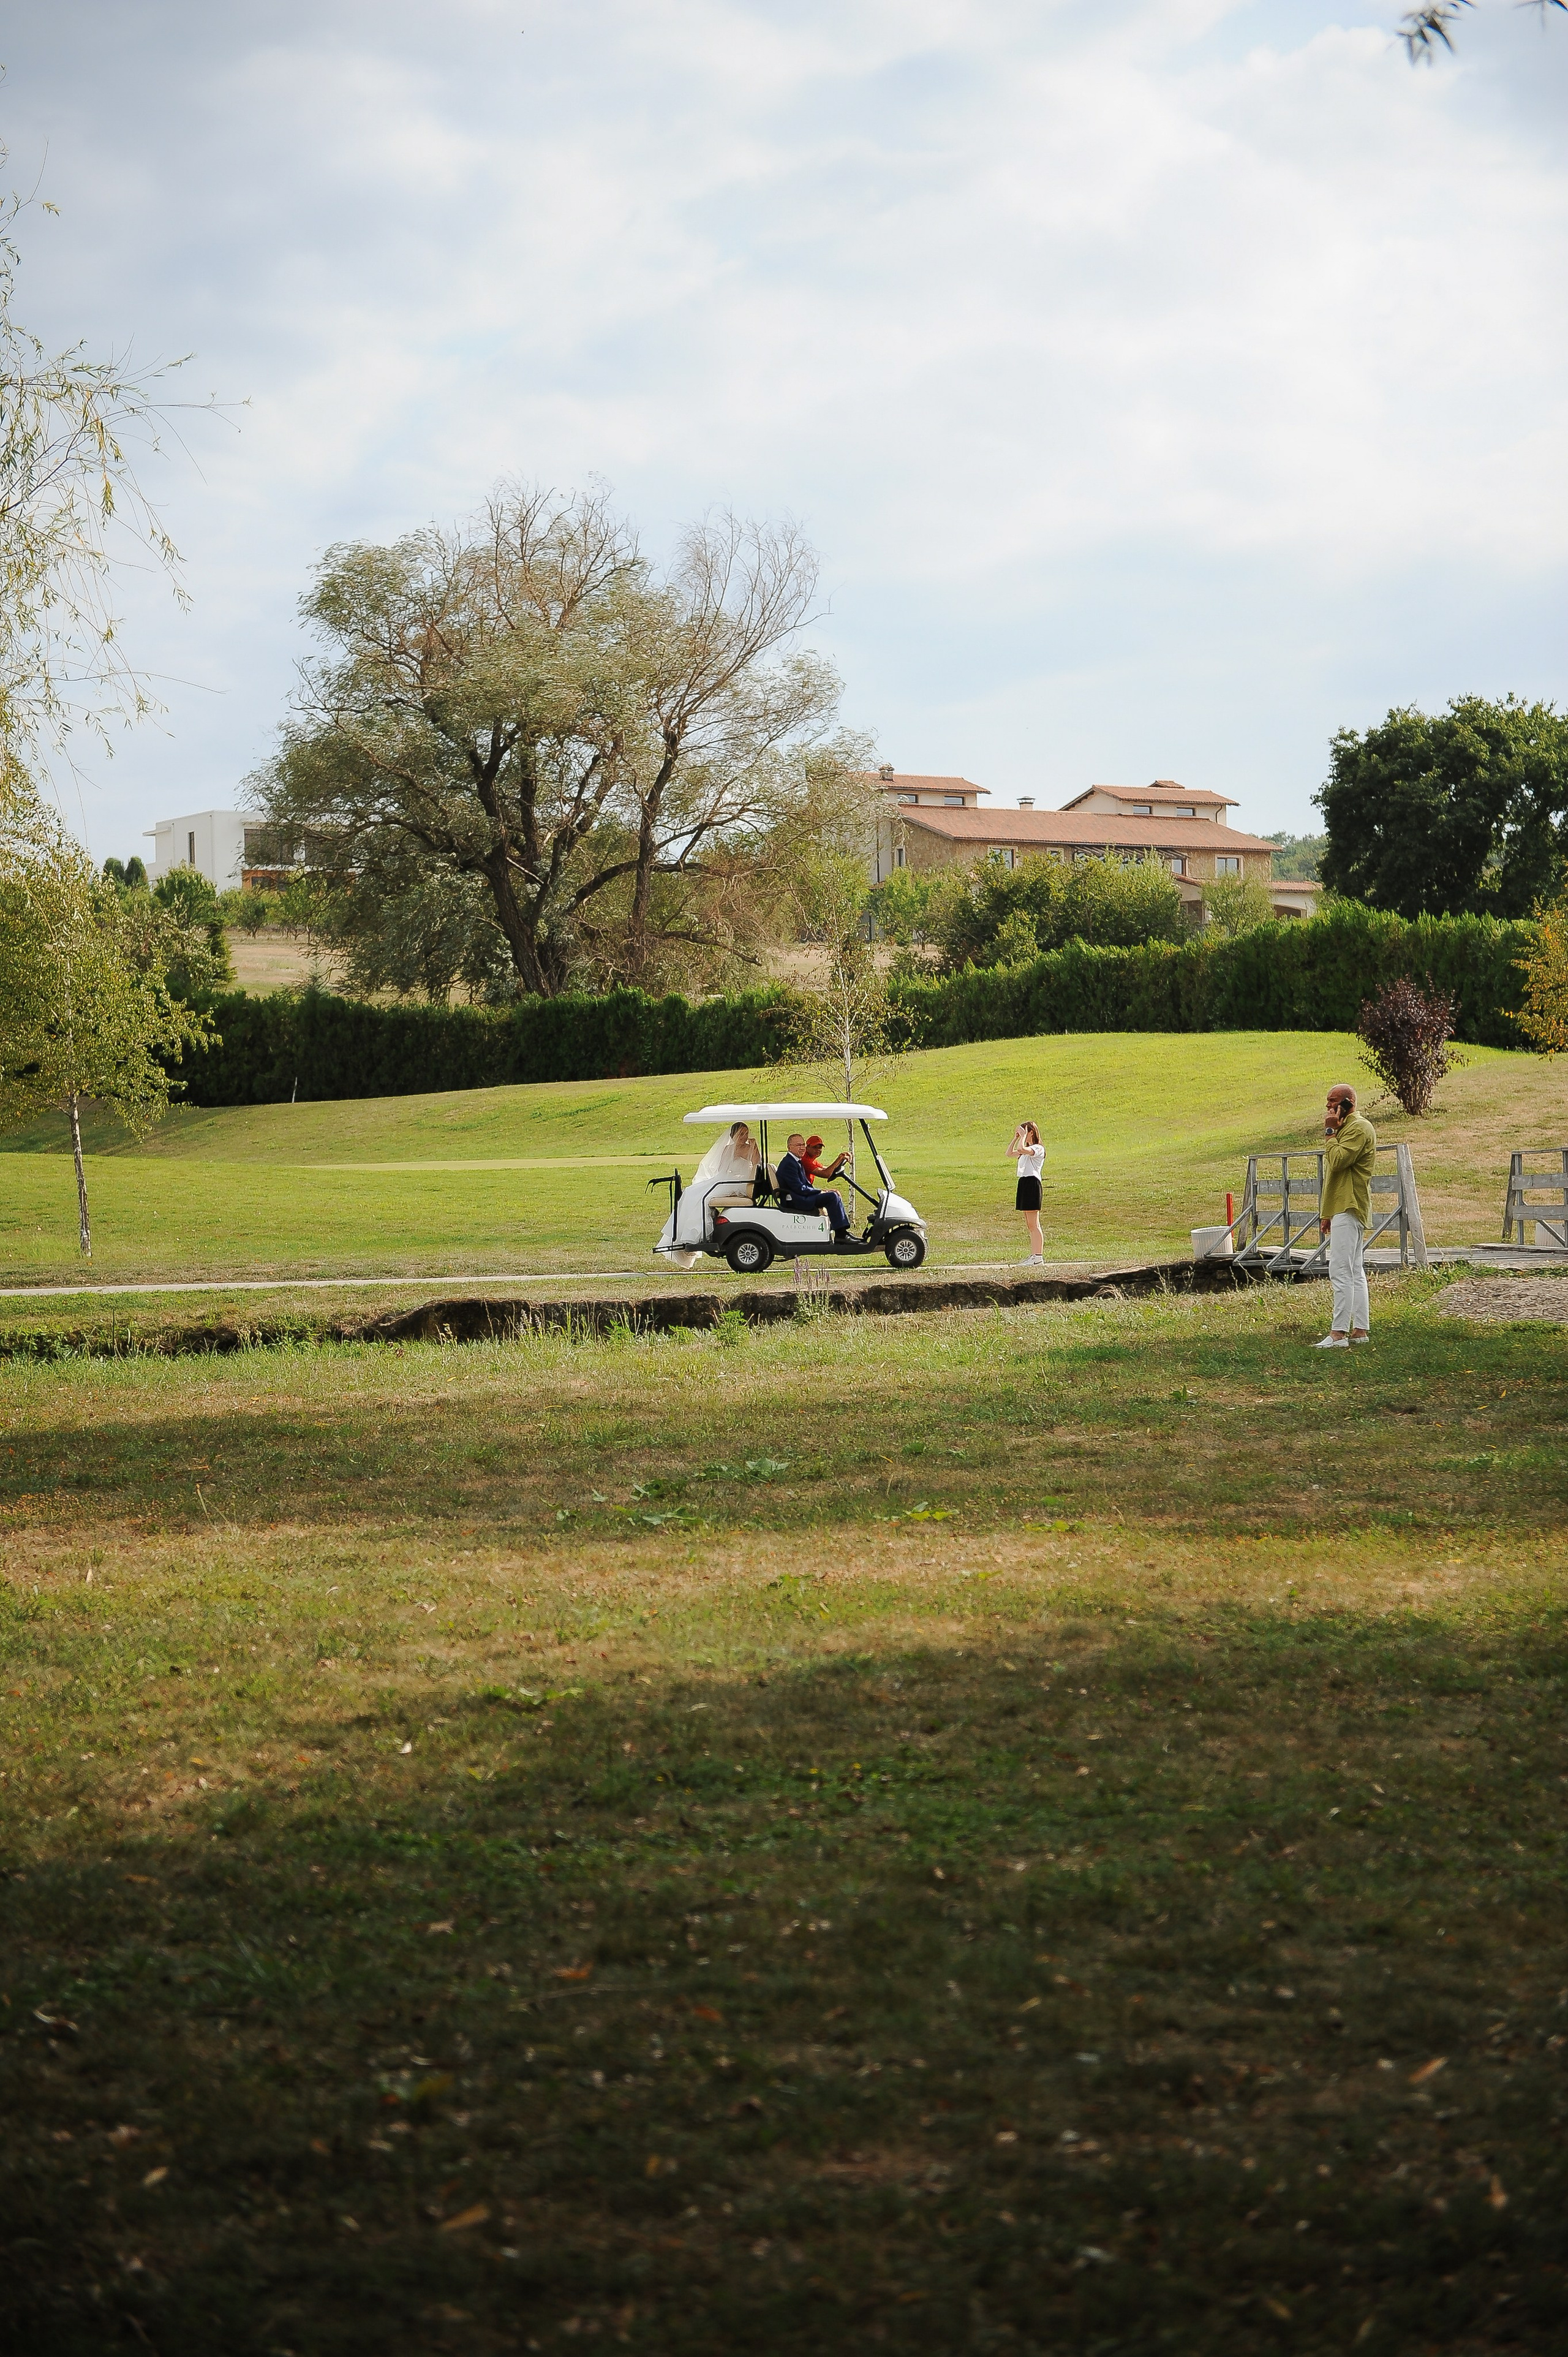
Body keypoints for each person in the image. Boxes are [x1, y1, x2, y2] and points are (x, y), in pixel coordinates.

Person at [1315, 1083, 1376, 1348]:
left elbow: (1338, 1161)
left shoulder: (1359, 1128)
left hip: (1350, 1205)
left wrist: (1330, 1133)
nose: (1329, 1107)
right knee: (1353, 1270)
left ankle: (1338, 1334)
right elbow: (1335, 1176)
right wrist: (1327, 1212)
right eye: (1327, 1102)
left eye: (1334, 1102)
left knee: (1340, 1270)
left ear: (1349, 1103)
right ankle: (1360, 1331)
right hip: (1341, 1205)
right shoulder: (1347, 1128)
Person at [777, 1130, 851, 1237]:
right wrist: (820, 1192)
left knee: (833, 1194)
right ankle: (841, 1235)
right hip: (796, 1199)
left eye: (803, 1145)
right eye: (798, 1145)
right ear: (790, 1147)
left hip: (799, 1196)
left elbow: (825, 1170)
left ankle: (843, 1232)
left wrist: (840, 1161)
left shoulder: (796, 1161)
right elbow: (799, 1188)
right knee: (832, 1197)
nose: (802, 1148)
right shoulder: (790, 1163)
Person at [1008, 1119, 1044, 1266]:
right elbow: (1009, 1153)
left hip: (1032, 1184)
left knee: (1034, 1224)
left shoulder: (1038, 1148)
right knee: (1030, 1224)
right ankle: (1034, 1255)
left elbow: (1023, 1149)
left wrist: (1023, 1137)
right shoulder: (1025, 1150)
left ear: (1031, 1132)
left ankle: (1038, 1257)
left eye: (1025, 1131)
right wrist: (1016, 1137)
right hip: (1024, 1183)